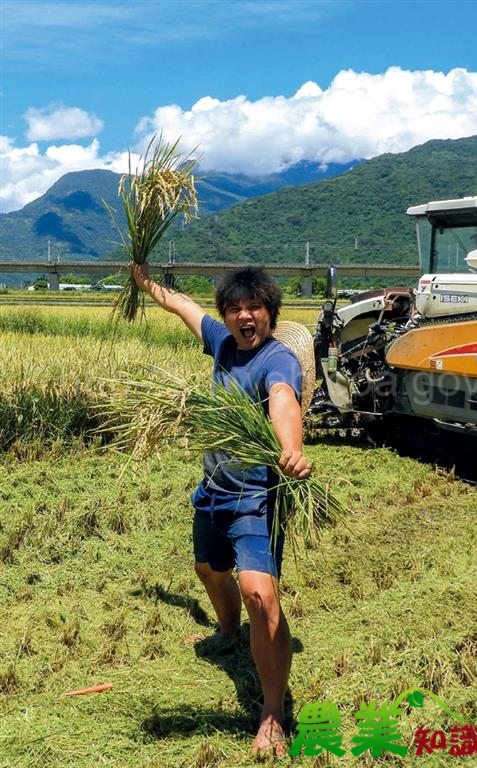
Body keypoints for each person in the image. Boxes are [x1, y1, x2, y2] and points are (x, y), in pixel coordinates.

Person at [131, 263, 312, 756]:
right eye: (234, 308)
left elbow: (283, 401)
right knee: (209, 571)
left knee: (260, 595)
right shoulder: (223, 344)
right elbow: (184, 306)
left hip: (256, 497)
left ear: (269, 312)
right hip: (213, 489)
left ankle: (272, 712)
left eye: (253, 307)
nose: (243, 315)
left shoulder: (279, 360)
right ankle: (229, 632)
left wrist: (291, 446)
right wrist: (144, 281)